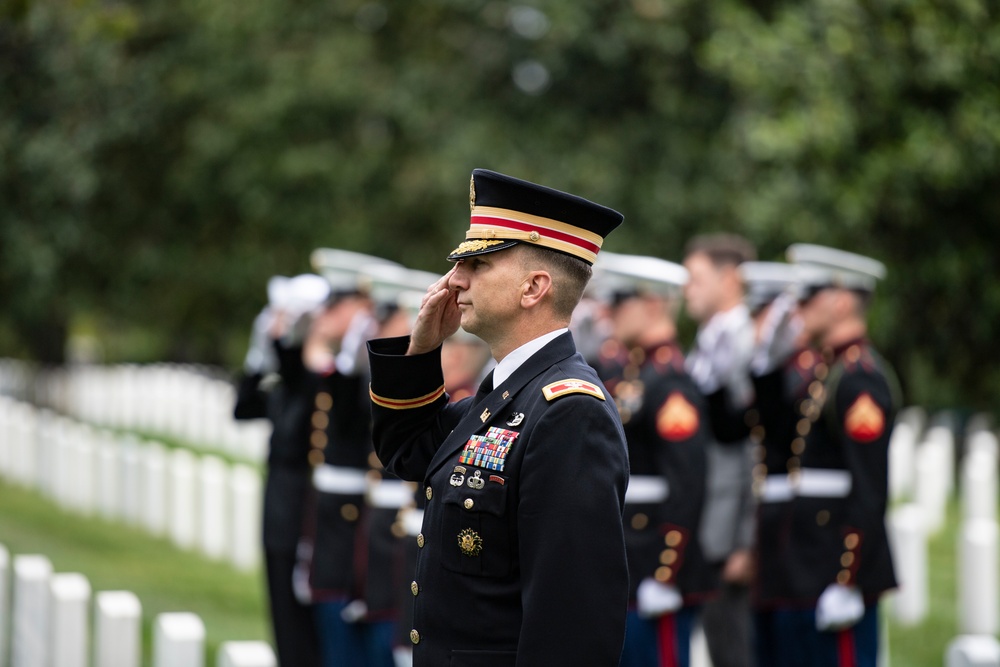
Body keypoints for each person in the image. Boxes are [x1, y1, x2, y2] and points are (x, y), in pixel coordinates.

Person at [366, 168, 630, 666]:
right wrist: (422, 349)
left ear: (534, 287)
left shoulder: (568, 412)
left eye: (479, 263)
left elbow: (572, 624)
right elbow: (407, 451)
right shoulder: (506, 397)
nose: (454, 278)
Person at [754, 244, 899, 667]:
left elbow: (870, 488)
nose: (797, 308)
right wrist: (766, 360)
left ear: (839, 300)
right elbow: (774, 435)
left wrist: (847, 579)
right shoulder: (825, 373)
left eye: (807, 297)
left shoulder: (859, 379)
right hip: (805, 564)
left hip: (833, 568)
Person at [591, 252, 720, 667]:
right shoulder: (633, 375)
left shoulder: (670, 383)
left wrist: (667, 571)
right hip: (625, 563)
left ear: (652, 304)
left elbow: (687, 483)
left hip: (654, 568)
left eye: (619, 301)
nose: (607, 312)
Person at [233, 273, 330, 667]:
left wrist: (279, 341)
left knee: (301, 631)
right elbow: (243, 408)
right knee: (282, 623)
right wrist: (259, 353)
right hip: (278, 512)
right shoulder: (289, 375)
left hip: (301, 514)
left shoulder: (312, 376)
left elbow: (294, 428)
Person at [682, 233, 757, 667]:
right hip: (707, 527)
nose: (687, 289)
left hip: (730, 535)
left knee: (737, 653)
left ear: (729, 278)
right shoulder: (708, 341)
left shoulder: (746, 342)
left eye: (696, 278)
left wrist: (747, 541)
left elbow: (754, 445)